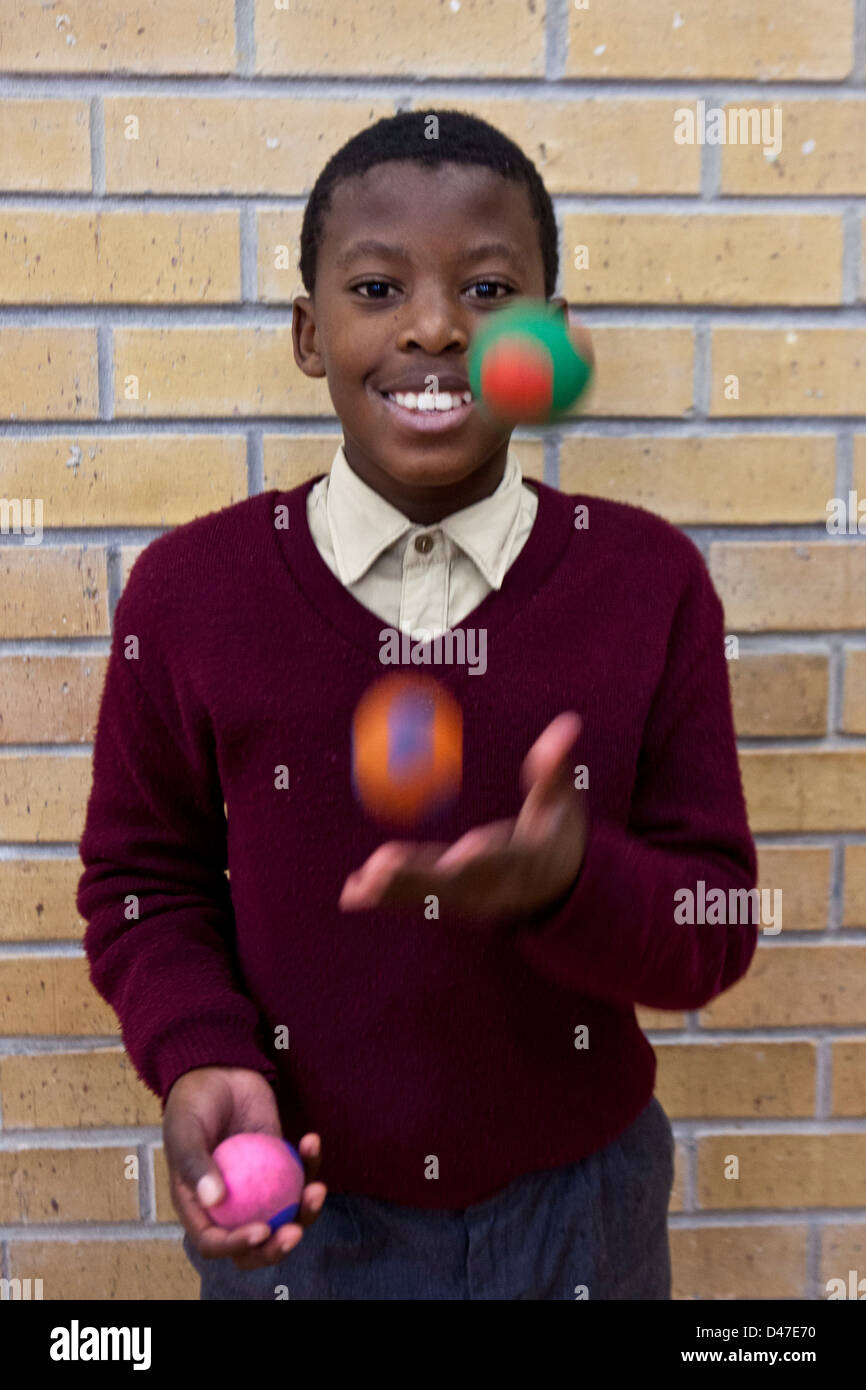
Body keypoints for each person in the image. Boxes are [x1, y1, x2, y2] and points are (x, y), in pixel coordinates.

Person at [77, 109, 758, 1300]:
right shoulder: (191, 592)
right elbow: (142, 882)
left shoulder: (648, 583)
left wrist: (569, 883)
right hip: (306, 1213)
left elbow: (713, 923)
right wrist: (201, 1056)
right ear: (309, 333)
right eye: (379, 286)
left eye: (489, 288)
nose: (436, 326)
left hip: (580, 1217)